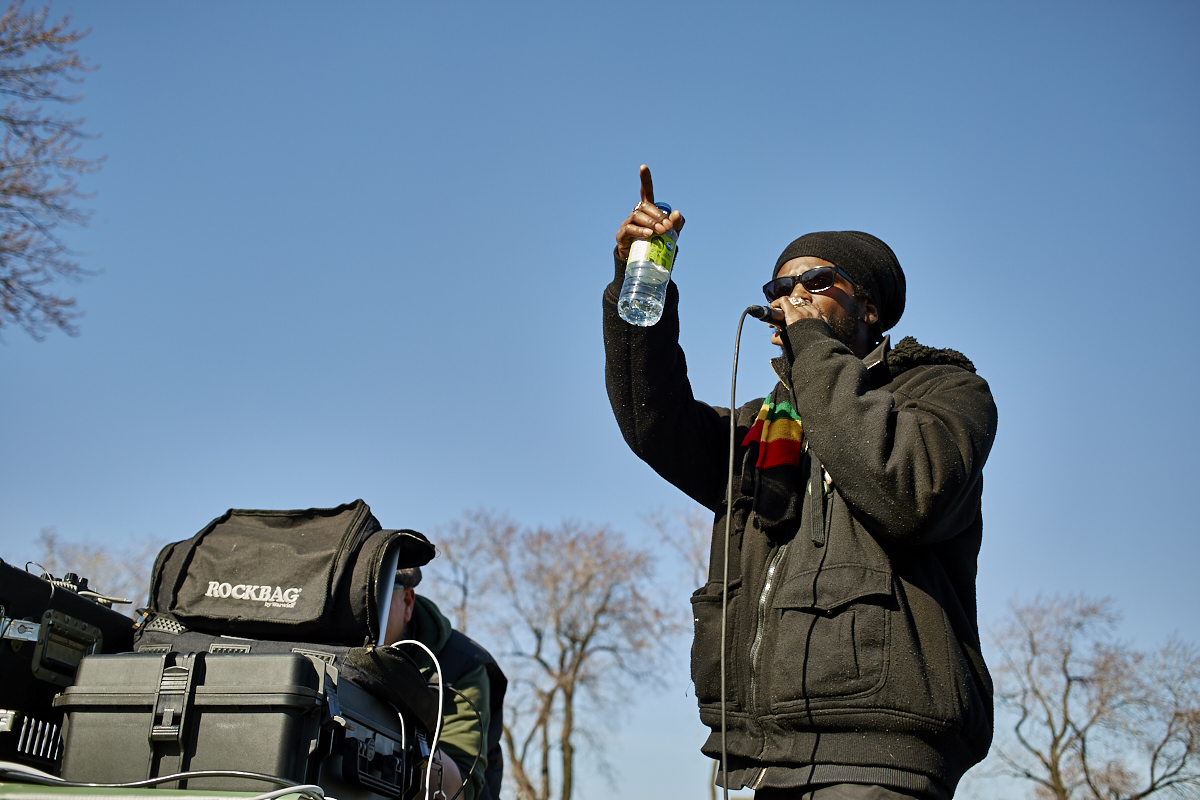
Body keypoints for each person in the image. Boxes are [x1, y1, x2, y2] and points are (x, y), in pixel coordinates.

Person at [602, 166, 997, 800]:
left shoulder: (942, 393)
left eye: (817, 282)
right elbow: (655, 423)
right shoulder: (767, 427)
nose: (795, 295)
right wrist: (637, 282)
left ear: (869, 307)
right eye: (783, 286)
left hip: (879, 754)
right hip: (768, 756)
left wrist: (810, 342)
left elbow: (907, 491)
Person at [384, 566, 507, 800]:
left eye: (375, 595)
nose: (358, 610)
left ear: (407, 601)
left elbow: (458, 787)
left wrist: (379, 739)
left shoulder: (462, 664)